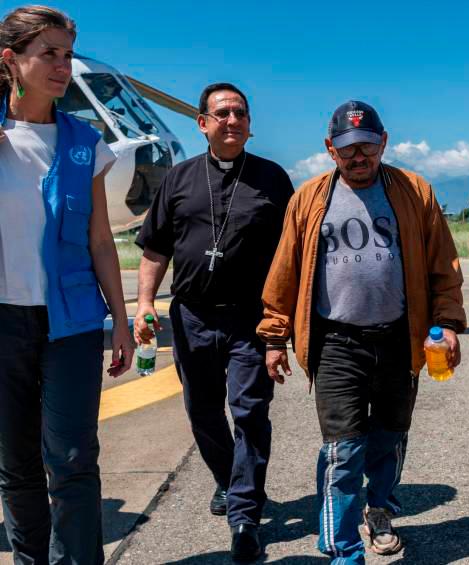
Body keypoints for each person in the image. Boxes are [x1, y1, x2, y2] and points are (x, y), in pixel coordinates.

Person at [258, 100, 466, 564]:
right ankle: (343, 551)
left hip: (399, 338)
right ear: (331, 148)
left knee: (389, 436)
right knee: (343, 449)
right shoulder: (309, 198)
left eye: (368, 145)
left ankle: (379, 510)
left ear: (383, 142)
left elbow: (443, 268)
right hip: (336, 342)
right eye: (349, 148)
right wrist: (275, 336)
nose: (360, 156)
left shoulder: (414, 192)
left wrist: (449, 324)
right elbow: (285, 272)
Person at [133, 82, 293, 561]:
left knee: (249, 412)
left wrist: (283, 325)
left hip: (250, 319)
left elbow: (292, 254)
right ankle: (229, 479)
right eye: (221, 113)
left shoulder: (272, 179)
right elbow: (155, 249)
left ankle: (244, 517)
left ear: (249, 124)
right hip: (191, 317)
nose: (232, 120)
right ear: (202, 123)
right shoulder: (179, 179)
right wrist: (144, 304)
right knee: (202, 410)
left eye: (240, 113)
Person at [0, 6, 133, 563]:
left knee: (74, 458)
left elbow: (102, 242)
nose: (62, 66)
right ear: (11, 61)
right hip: (4, 321)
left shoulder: (85, 144)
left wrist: (122, 322)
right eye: (47, 53)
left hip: (72, 322)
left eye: (66, 54)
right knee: (17, 464)